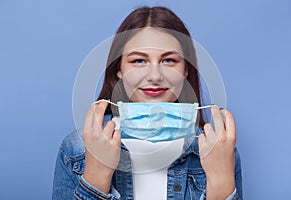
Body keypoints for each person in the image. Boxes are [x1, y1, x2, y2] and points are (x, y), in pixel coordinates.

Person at [52, 6, 243, 200]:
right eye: (138, 61)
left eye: (169, 60)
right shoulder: (76, 149)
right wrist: (96, 179)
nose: (154, 76)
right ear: (119, 69)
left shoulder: (220, 149)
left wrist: (220, 182)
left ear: (186, 70)